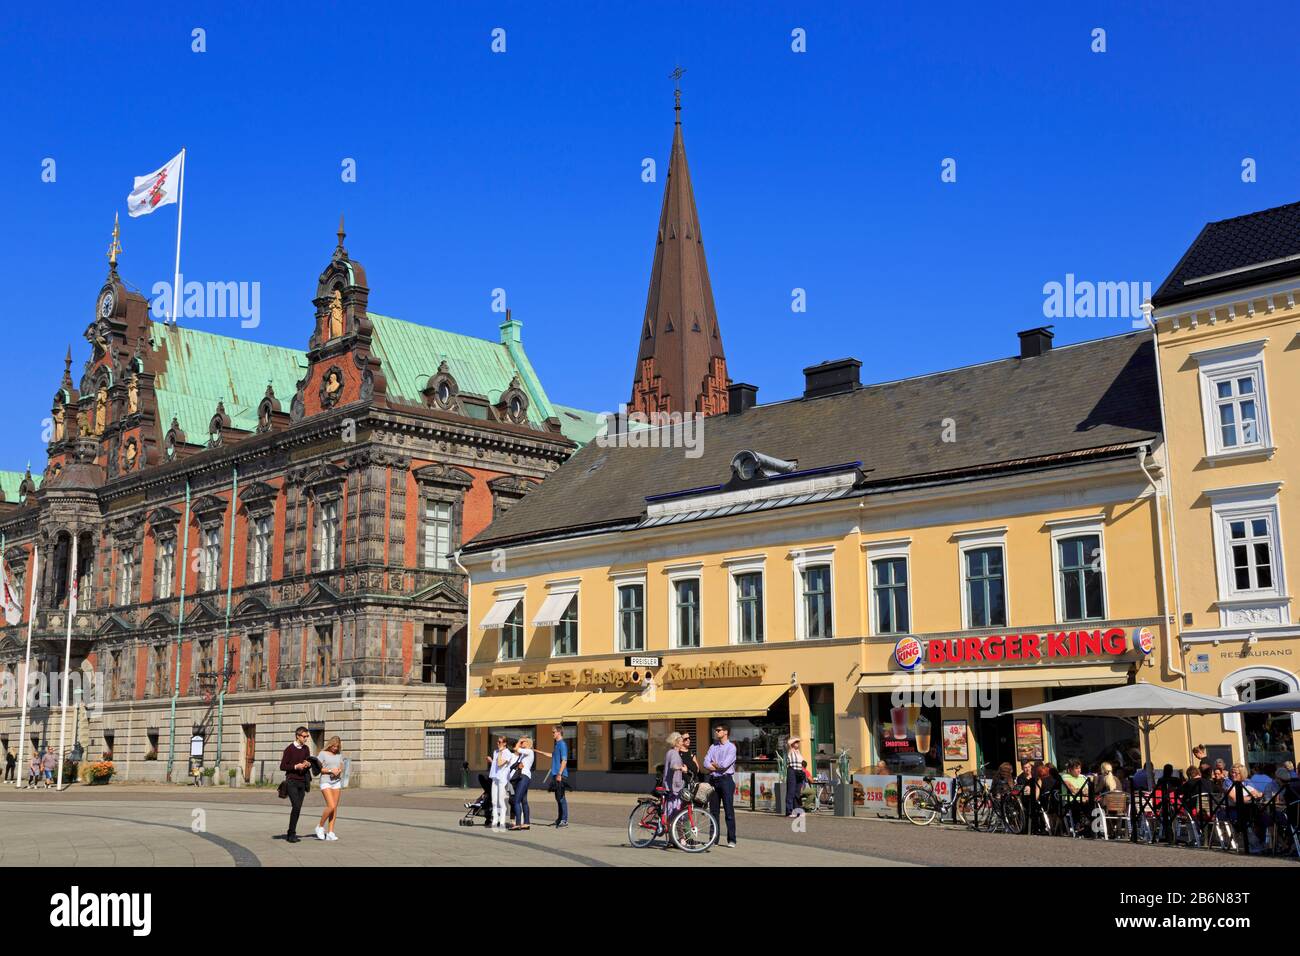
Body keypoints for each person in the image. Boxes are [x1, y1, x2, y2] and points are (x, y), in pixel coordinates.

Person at [704, 723, 738, 848]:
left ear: (725, 732)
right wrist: (716, 766)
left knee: (729, 811)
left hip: (726, 780)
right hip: (713, 780)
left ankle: (732, 839)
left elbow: (725, 765)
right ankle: (714, 839)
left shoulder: (731, 747)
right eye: (715, 730)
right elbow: (705, 762)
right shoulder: (713, 746)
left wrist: (715, 765)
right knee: (713, 812)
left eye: (718, 730)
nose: (716, 732)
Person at [279, 727, 314, 843]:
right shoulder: (289, 749)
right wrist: (295, 766)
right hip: (291, 781)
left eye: (307, 736)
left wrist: (307, 764)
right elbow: (283, 766)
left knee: (297, 808)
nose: (306, 738)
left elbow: (307, 761)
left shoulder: (306, 749)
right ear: (298, 736)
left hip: (302, 781)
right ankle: (291, 833)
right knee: (297, 806)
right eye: (304, 736)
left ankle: (291, 832)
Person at [533, 726, 570, 828]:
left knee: (561, 798)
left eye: (553, 732)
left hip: (560, 775)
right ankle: (559, 819)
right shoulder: (557, 744)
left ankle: (564, 820)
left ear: (559, 732)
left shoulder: (562, 744)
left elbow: (564, 760)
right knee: (558, 798)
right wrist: (538, 752)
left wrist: (559, 774)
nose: (552, 733)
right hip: (556, 774)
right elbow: (552, 755)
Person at [314, 736, 345, 841]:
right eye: (333, 746)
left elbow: (341, 766)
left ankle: (330, 832)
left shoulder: (339, 755)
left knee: (335, 808)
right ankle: (320, 826)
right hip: (325, 781)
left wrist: (338, 771)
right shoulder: (322, 754)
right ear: (330, 745)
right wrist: (331, 770)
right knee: (330, 806)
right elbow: (318, 769)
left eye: (337, 746)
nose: (335, 748)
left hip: (336, 782)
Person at [489, 735, 515, 830]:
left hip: (503, 779)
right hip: (495, 778)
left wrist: (500, 752)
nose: (498, 744)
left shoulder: (508, 753)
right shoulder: (495, 752)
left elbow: (500, 764)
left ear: (505, 743)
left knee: (501, 801)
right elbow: (495, 765)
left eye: (500, 742)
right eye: (497, 742)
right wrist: (492, 760)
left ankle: (502, 821)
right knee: (494, 801)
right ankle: (495, 820)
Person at [662, 732, 687, 830]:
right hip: (673, 788)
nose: (682, 743)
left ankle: (673, 839)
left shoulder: (669, 752)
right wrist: (682, 768)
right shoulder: (674, 753)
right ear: (676, 743)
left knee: (670, 813)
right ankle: (678, 839)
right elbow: (673, 766)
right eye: (681, 741)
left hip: (669, 786)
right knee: (675, 814)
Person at [509, 736, 535, 831]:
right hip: (524, 777)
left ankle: (518, 823)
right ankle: (526, 823)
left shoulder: (529, 751)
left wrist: (519, 740)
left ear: (528, 743)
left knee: (516, 800)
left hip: (524, 777)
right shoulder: (524, 754)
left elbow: (515, 748)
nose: (521, 743)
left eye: (523, 742)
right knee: (524, 801)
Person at [784, 736, 807, 817]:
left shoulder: (798, 752)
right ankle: (789, 811)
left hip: (799, 772)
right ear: (793, 743)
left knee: (797, 793)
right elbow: (788, 743)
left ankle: (797, 811)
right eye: (796, 742)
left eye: (798, 742)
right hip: (792, 771)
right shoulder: (790, 750)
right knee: (791, 791)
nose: (798, 744)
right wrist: (796, 739)